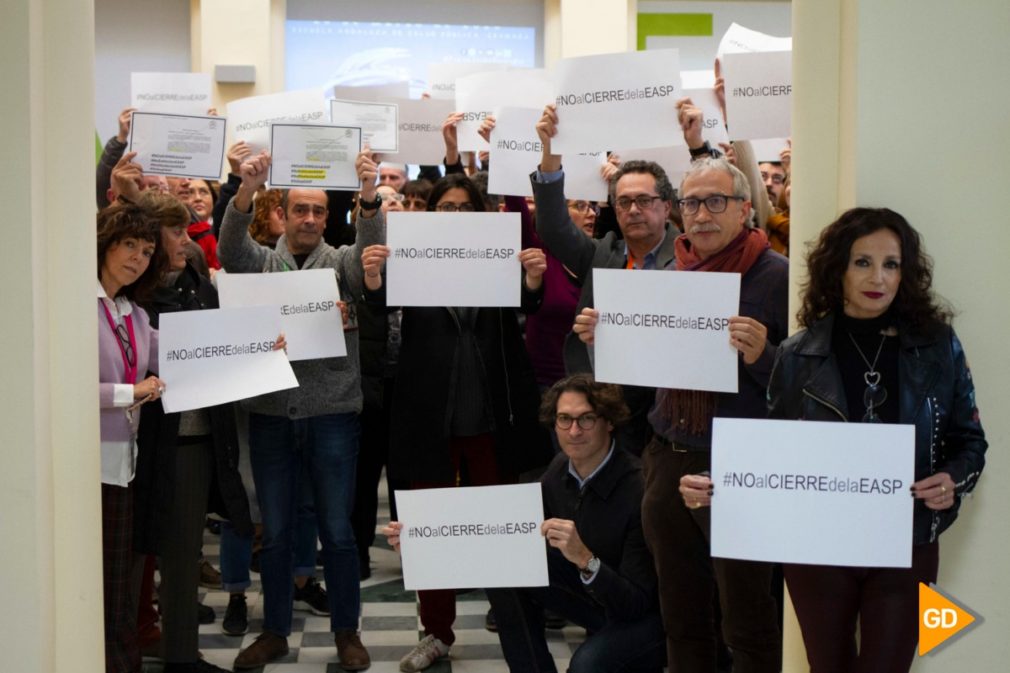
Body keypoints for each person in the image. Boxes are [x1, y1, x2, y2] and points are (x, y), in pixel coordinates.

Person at [573, 155, 788, 673]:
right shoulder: (673, 273)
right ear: (679, 212)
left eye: (717, 201)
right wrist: (606, 340)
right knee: (682, 612)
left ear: (744, 209)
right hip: (669, 456)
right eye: (692, 203)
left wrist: (766, 356)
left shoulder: (775, 276)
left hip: (741, 462)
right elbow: (640, 375)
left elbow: (809, 385)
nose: (703, 214)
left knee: (748, 616)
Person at [766, 207, 986, 672]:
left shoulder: (938, 346)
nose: (878, 278)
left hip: (906, 543)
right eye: (862, 262)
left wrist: (952, 479)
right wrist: (719, 483)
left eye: (892, 264)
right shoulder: (797, 354)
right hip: (818, 546)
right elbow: (770, 457)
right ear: (837, 268)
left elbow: (970, 441)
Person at [360, 172, 552, 672]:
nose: (456, 217)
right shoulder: (415, 259)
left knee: (501, 528)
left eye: (466, 208)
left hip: (492, 416)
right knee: (432, 530)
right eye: (447, 207)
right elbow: (381, 307)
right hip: (432, 418)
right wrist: (377, 278)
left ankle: (513, 620)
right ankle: (436, 632)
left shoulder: (498, 257)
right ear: (432, 215)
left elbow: (529, 302)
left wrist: (532, 277)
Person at [217, 149, 382, 671]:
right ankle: (274, 632)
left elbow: (370, 252)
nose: (308, 218)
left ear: (327, 218)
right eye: (299, 210)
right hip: (270, 414)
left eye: (317, 211)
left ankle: (346, 632)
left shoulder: (340, 264)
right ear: (282, 215)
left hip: (331, 413)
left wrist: (371, 194)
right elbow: (229, 248)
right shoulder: (262, 263)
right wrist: (245, 189)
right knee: (280, 531)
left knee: (337, 529)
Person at [132, 190, 262, 673]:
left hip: (203, 431)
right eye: (177, 232)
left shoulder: (195, 278)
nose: (187, 241)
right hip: (157, 438)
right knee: (144, 556)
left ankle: (182, 656)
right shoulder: (131, 294)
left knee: (185, 554)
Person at [483, 374, 666, 673]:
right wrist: (421, 542)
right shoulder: (558, 471)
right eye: (564, 419)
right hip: (597, 600)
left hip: (645, 618)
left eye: (586, 419)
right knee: (505, 568)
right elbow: (501, 532)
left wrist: (584, 558)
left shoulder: (639, 488)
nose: (574, 431)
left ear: (609, 422)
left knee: (585, 666)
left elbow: (637, 603)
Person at [532, 104, 680, 453]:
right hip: (608, 404)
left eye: (644, 200)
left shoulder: (692, 259)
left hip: (670, 407)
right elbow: (553, 227)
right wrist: (551, 155)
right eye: (624, 202)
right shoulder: (603, 254)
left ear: (667, 207)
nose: (633, 210)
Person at [96, 201, 165, 673]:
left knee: (118, 583)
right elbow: (57, 387)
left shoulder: (132, 313)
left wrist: (263, 343)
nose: (138, 258)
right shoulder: (74, 304)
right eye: (128, 245)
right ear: (104, 244)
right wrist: (131, 390)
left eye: (145, 250)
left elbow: (187, 351)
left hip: (122, 464)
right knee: (94, 585)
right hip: (83, 462)